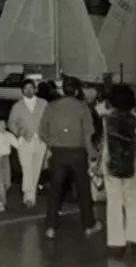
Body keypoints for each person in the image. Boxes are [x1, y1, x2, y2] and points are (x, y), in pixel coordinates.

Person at [39, 77, 103, 239]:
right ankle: (89, 225)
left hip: (58, 153)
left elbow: (42, 131)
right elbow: (88, 135)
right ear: (76, 91)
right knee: (83, 191)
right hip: (78, 153)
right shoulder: (83, 107)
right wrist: (93, 155)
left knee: (55, 191)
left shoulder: (52, 106)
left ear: (63, 90)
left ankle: (50, 227)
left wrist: (52, 143)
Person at [99, 84, 136, 258]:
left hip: (111, 165)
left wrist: (100, 166)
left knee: (114, 203)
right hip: (131, 166)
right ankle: (132, 239)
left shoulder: (106, 119)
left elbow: (103, 144)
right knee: (132, 203)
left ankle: (116, 242)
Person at [8, 79, 48, 208]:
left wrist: (46, 134)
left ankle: (31, 195)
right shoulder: (17, 106)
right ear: (22, 91)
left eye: (31, 87)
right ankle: (29, 196)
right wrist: (20, 132)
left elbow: (49, 120)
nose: (28, 90)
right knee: (27, 168)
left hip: (41, 141)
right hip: (25, 141)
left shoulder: (44, 104)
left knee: (36, 168)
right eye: (25, 88)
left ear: (35, 89)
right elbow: (11, 123)